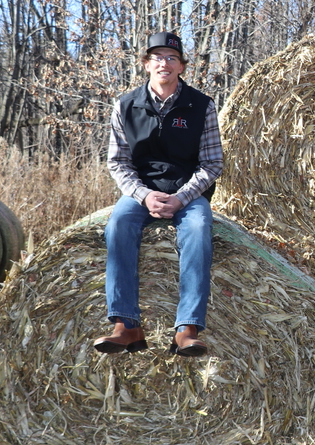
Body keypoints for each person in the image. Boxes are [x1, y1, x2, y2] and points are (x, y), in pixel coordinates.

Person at [93, 32, 223, 357]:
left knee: (197, 229)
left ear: (181, 67)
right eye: (157, 57)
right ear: (146, 64)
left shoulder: (201, 106)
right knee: (118, 226)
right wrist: (143, 195)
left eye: (171, 58)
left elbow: (212, 163)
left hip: (188, 194)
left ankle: (187, 328)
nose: (164, 63)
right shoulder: (125, 105)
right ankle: (126, 325)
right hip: (141, 191)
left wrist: (182, 197)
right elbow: (118, 161)